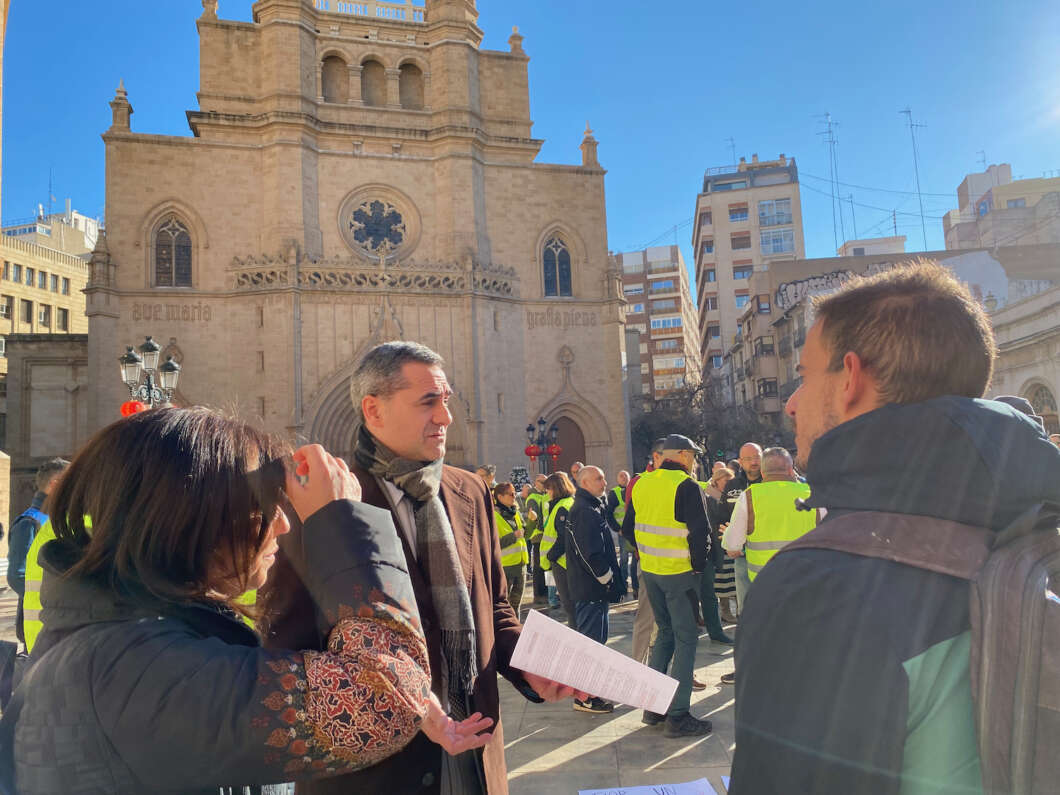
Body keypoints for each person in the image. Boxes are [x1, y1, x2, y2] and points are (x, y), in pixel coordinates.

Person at [3, 408, 499, 794]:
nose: (282, 525)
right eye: (263, 507)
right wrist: (343, 522)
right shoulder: (133, 668)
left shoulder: (134, 643)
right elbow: (383, 704)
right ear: (193, 520)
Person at [730, 263, 1060, 793]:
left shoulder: (816, 591)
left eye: (805, 376)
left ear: (850, 378)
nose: (791, 403)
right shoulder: (1035, 522)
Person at [263, 342, 581, 795]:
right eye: (428, 402)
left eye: (446, 400)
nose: (445, 417)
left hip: (475, 752)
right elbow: (287, 649)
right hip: (376, 774)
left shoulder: (471, 491)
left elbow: (495, 610)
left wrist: (530, 667)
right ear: (373, 410)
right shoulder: (319, 503)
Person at [621, 434, 713, 738]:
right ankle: (678, 714)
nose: (694, 461)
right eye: (693, 456)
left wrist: (648, 553)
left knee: (665, 635)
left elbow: (627, 528)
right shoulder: (687, 486)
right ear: (683, 455)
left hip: (652, 572)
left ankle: (653, 707)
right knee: (687, 639)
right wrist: (698, 567)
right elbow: (701, 533)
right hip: (680, 574)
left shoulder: (642, 483)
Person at [565, 465, 623, 714]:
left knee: (596, 643)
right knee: (590, 645)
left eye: (603, 477)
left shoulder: (591, 507)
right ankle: (584, 697)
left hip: (594, 589)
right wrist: (607, 579)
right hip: (590, 589)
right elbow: (590, 553)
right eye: (599, 478)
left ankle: (592, 690)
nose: (604, 482)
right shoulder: (584, 511)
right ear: (585, 483)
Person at [722, 447, 818, 582]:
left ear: (762, 472)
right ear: (791, 470)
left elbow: (732, 545)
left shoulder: (749, 496)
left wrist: (728, 534)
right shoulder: (813, 494)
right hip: (805, 579)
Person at [6, 458, 69, 647]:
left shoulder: (58, 519)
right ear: (55, 484)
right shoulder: (29, 522)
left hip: (53, 624)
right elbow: (17, 575)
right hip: (38, 625)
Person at [628, 437, 667, 665]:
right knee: (646, 618)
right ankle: (638, 667)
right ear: (656, 457)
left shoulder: (680, 481)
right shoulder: (639, 482)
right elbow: (629, 525)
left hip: (677, 565)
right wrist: (643, 551)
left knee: (677, 622)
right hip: (649, 563)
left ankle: (680, 672)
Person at [725, 443, 762, 614]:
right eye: (748, 459)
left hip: (766, 555)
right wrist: (730, 539)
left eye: (756, 457)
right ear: (740, 461)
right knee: (746, 607)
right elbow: (721, 515)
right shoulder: (732, 485)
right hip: (741, 556)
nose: (753, 462)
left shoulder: (771, 483)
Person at [541, 471, 577, 629]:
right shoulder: (567, 503)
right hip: (564, 561)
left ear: (556, 488)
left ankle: (576, 637)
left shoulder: (562, 507)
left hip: (562, 562)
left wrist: (551, 556)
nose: (547, 492)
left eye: (548, 489)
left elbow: (563, 537)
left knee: (569, 605)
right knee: (571, 606)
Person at [704, 466, 737, 624]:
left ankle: (737, 610)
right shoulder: (710, 498)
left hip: (731, 542)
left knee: (733, 579)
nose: (730, 483)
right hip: (718, 543)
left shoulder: (730, 496)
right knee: (723, 580)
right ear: (717, 481)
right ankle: (726, 611)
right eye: (726, 480)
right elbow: (712, 521)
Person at [493, 482, 528, 618]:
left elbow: (525, 534)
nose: (514, 496)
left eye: (515, 493)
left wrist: (532, 521)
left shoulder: (515, 512)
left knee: (516, 604)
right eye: (511, 494)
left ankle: (516, 627)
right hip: (506, 567)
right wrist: (514, 536)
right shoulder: (494, 516)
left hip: (521, 565)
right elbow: (493, 543)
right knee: (504, 605)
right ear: (500, 497)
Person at [605, 470, 636, 596]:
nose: (624, 478)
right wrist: (617, 529)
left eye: (626, 475)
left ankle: (635, 585)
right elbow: (609, 514)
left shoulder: (634, 489)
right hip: (623, 532)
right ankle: (623, 584)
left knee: (635, 560)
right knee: (623, 560)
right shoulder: (614, 493)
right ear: (617, 479)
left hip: (634, 531)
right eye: (621, 476)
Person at [524, 474, 549, 606]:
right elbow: (535, 516)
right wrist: (542, 528)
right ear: (536, 482)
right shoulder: (533, 497)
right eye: (543, 482)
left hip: (545, 535)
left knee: (544, 565)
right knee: (539, 566)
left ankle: (545, 593)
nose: (545, 485)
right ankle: (539, 595)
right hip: (538, 536)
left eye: (546, 482)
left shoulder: (543, 495)